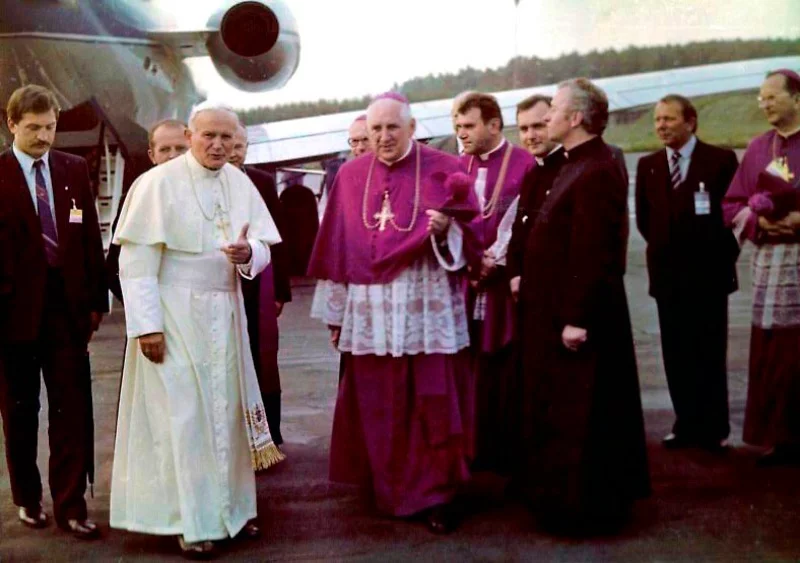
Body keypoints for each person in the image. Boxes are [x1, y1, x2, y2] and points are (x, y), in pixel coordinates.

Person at [109, 102, 283, 558]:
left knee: (226, 416)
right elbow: (137, 262)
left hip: (225, 313)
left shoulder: (239, 181)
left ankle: (235, 513)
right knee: (185, 419)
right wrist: (147, 327)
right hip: (174, 314)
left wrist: (249, 255)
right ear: (190, 135)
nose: (219, 145)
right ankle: (192, 521)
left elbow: (264, 244)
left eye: (228, 137)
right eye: (209, 136)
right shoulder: (156, 184)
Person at [307, 92, 481, 534]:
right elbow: (338, 246)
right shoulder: (349, 176)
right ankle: (386, 487)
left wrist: (446, 232)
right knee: (380, 401)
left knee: (432, 397)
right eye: (375, 130)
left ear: (412, 127)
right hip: (372, 310)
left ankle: (436, 494)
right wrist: (337, 314)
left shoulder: (445, 169)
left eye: (392, 128)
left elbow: (471, 240)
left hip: (425, 304)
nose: (383, 137)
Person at [518, 78, 650, 535]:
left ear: (575, 118)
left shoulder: (594, 170)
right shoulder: (577, 165)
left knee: (585, 417)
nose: (548, 117)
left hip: (577, 320)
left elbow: (592, 252)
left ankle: (584, 511)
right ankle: (566, 504)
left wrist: (576, 317)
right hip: (557, 312)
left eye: (554, 109)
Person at [0, 84, 107, 539]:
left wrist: (97, 302)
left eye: (50, 127)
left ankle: (71, 505)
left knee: (72, 410)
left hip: (67, 314)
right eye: (33, 129)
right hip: (11, 318)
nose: (44, 137)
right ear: (11, 125)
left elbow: (88, 240)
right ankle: (28, 497)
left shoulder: (73, 169)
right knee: (20, 413)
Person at [636, 94, 739, 452]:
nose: (661, 126)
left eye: (669, 119)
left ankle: (714, 428)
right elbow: (647, 222)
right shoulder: (648, 165)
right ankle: (686, 423)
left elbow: (731, 220)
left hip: (708, 277)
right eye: (657, 120)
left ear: (690, 122)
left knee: (708, 352)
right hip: (667, 277)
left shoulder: (720, 160)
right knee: (676, 353)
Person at [723, 69, 800, 466]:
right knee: (776, 351)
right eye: (761, 98)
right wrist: (762, 222)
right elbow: (731, 205)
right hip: (771, 261)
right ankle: (778, 437)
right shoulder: (757, 149)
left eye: (772, 96)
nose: (764, 103)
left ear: (797, 99)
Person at [453, 92, 533, 472]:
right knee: (470, 366)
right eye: (458, 127)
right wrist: (471, 261)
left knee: (505, 363)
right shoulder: (458, 166)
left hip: (504, 284)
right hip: (468, 281)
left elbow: (523, 221)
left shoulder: (525, 164)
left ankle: (508, 448)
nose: (461, 134)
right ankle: (475, 443)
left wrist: (494, 261)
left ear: (494, 125)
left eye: (469, 126)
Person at [230, 124, 292, 447]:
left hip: (258, 286)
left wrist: (281, 291)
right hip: (221, 283)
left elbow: (278, 237)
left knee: (261, 357)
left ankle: (267, 434)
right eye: (230, 144)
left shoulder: (262, 182)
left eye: (240, 146)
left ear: (247, 147)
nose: (233, 151)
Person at [106, 119, 190, 301]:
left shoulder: (215, 193)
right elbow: (115, 266)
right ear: (152, 156)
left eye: (181, 148)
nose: (173, 156)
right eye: (165, 149)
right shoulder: (135, 198)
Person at [507, 94, 565, 303]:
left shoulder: (571, 170)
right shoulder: (532, 174)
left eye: (538, 126)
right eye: (523, 129)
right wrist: (514, 274)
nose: (530, 136)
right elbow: (518, 232)